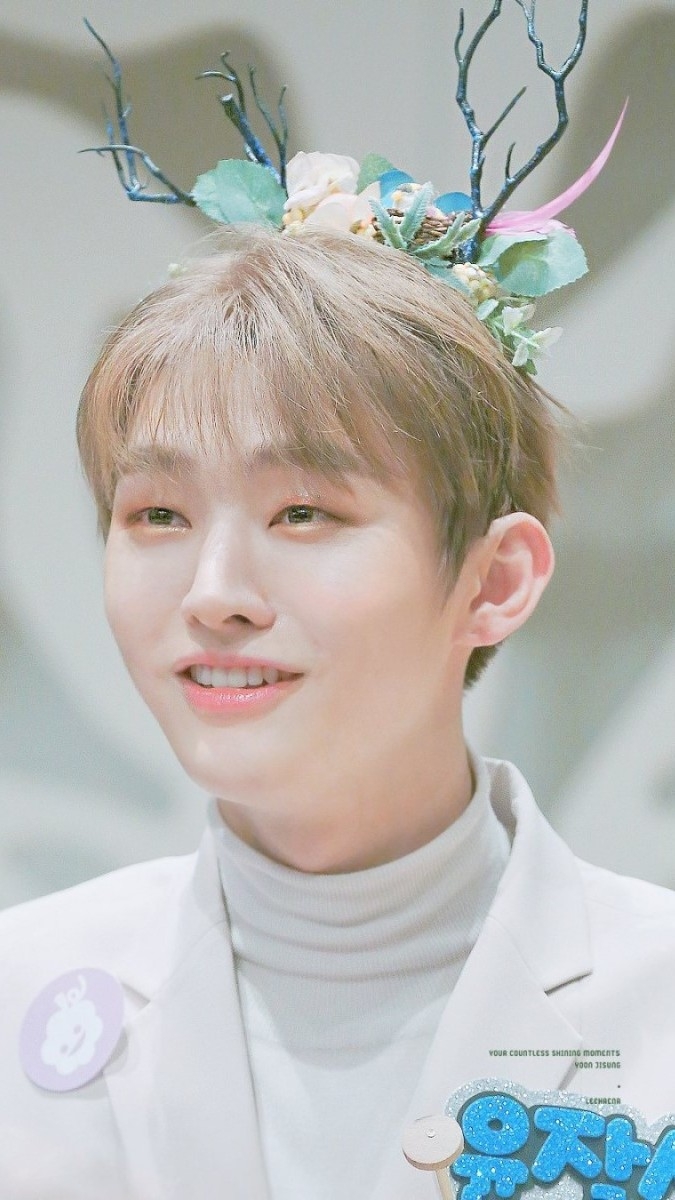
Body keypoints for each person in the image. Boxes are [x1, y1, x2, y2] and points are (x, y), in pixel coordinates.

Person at [0, 222, 674, 1200]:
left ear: (493, 580)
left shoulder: (657, 998)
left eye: (303, 513)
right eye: (158, 515)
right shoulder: (19, 986)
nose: (213, 593)